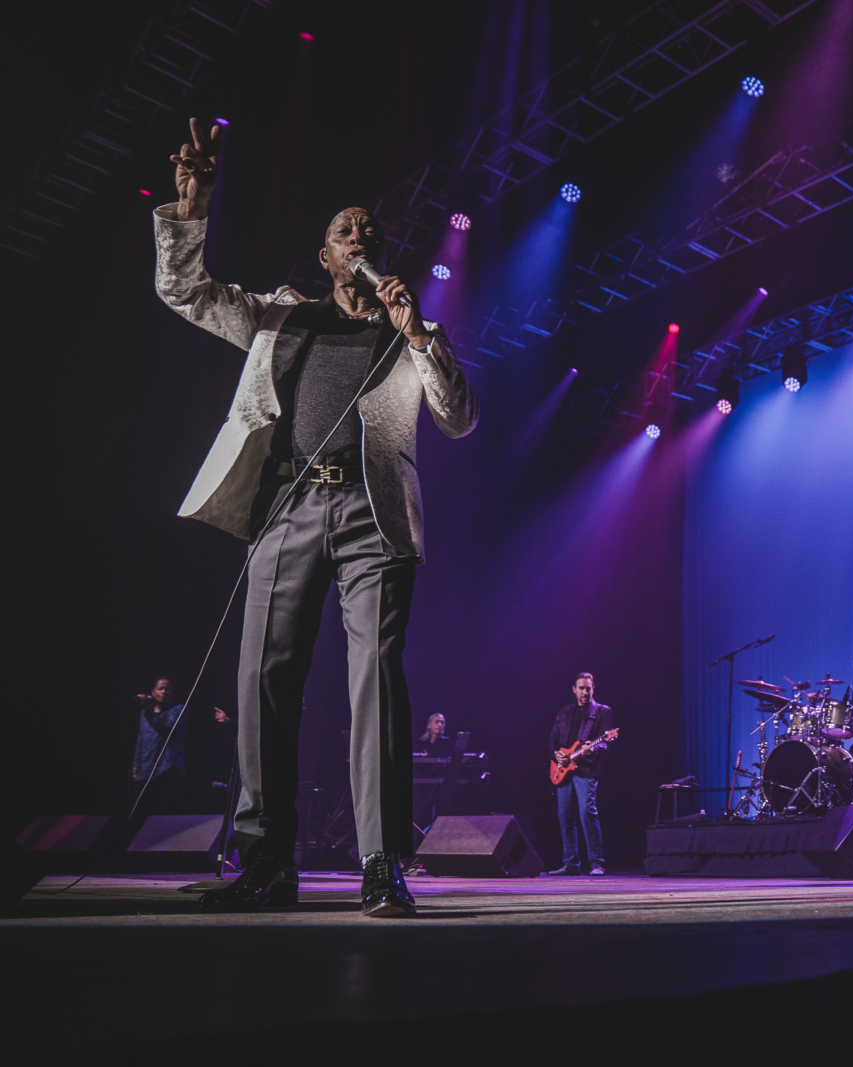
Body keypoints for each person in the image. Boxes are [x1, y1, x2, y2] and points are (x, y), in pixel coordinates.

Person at [154, 119, 479, 917]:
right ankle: (265, 861)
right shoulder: (279, 318)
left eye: (371, 231)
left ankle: (380, 862)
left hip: (375, 517)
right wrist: (189, 212)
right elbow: (185, 292)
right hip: (292, 505)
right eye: (345, 233)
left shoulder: (409, 334)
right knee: (262, 675)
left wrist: (423, 334)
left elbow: (460, 417)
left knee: (376, 677)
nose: (360, 238)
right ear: (329, 256)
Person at [548, 673, 614, 876]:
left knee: (587, 812)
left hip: (586, 769)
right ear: (574, 689)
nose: (585, 691)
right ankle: (571, 863)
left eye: (589, 688)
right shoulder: (565, 712)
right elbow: (552, 740)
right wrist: (556, 754)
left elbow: (604, 741)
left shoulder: (602, 712)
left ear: (593, 689)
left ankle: (597, 863)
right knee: (564, 816)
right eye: (582, 688)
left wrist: (592, 749)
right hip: (563, 769)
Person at [130, 678, 186, 814]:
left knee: (166, 811)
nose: (164, 691)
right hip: (146, 768)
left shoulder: (178, 709)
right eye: (160, 688)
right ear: (153, 693)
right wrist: (136, 764)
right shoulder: (145, 713)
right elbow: (140, 738)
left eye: (167, 689)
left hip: (168, 767)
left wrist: (149, 712)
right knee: (138, 809)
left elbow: (168, 729)